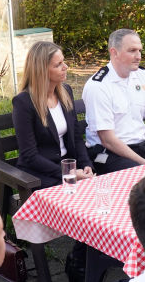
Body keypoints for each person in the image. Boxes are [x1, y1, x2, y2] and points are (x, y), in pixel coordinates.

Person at [81, 29, 145, 173]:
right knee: (144, 176)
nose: (138, 56)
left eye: (139, 50)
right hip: (110, 153)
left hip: (142, 147)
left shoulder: (143, 76)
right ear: (114, 52)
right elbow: (107, 139)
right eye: (132, 50)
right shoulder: (98, 85)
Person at [13, 41, 94, 188]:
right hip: (39, 174)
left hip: (68, 166)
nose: (65, 67)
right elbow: (30, 156)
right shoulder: (23, 102)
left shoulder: (65, 92)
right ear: (42, 70)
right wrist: (69, 174)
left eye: (63, 62)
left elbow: (76, 136)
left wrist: (86, 163)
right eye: (58, 65)